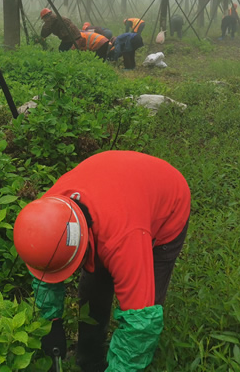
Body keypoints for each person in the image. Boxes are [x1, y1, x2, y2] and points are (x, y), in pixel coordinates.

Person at [13, 151, 191, 372]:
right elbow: (45, 270)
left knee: (146, 302)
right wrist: (51, 324)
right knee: (94, 289)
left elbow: (140, 326)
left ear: (84, 243)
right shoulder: (46, 214)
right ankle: (90, 361)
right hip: (117, 185)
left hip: (168, 200)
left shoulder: (125, 240)